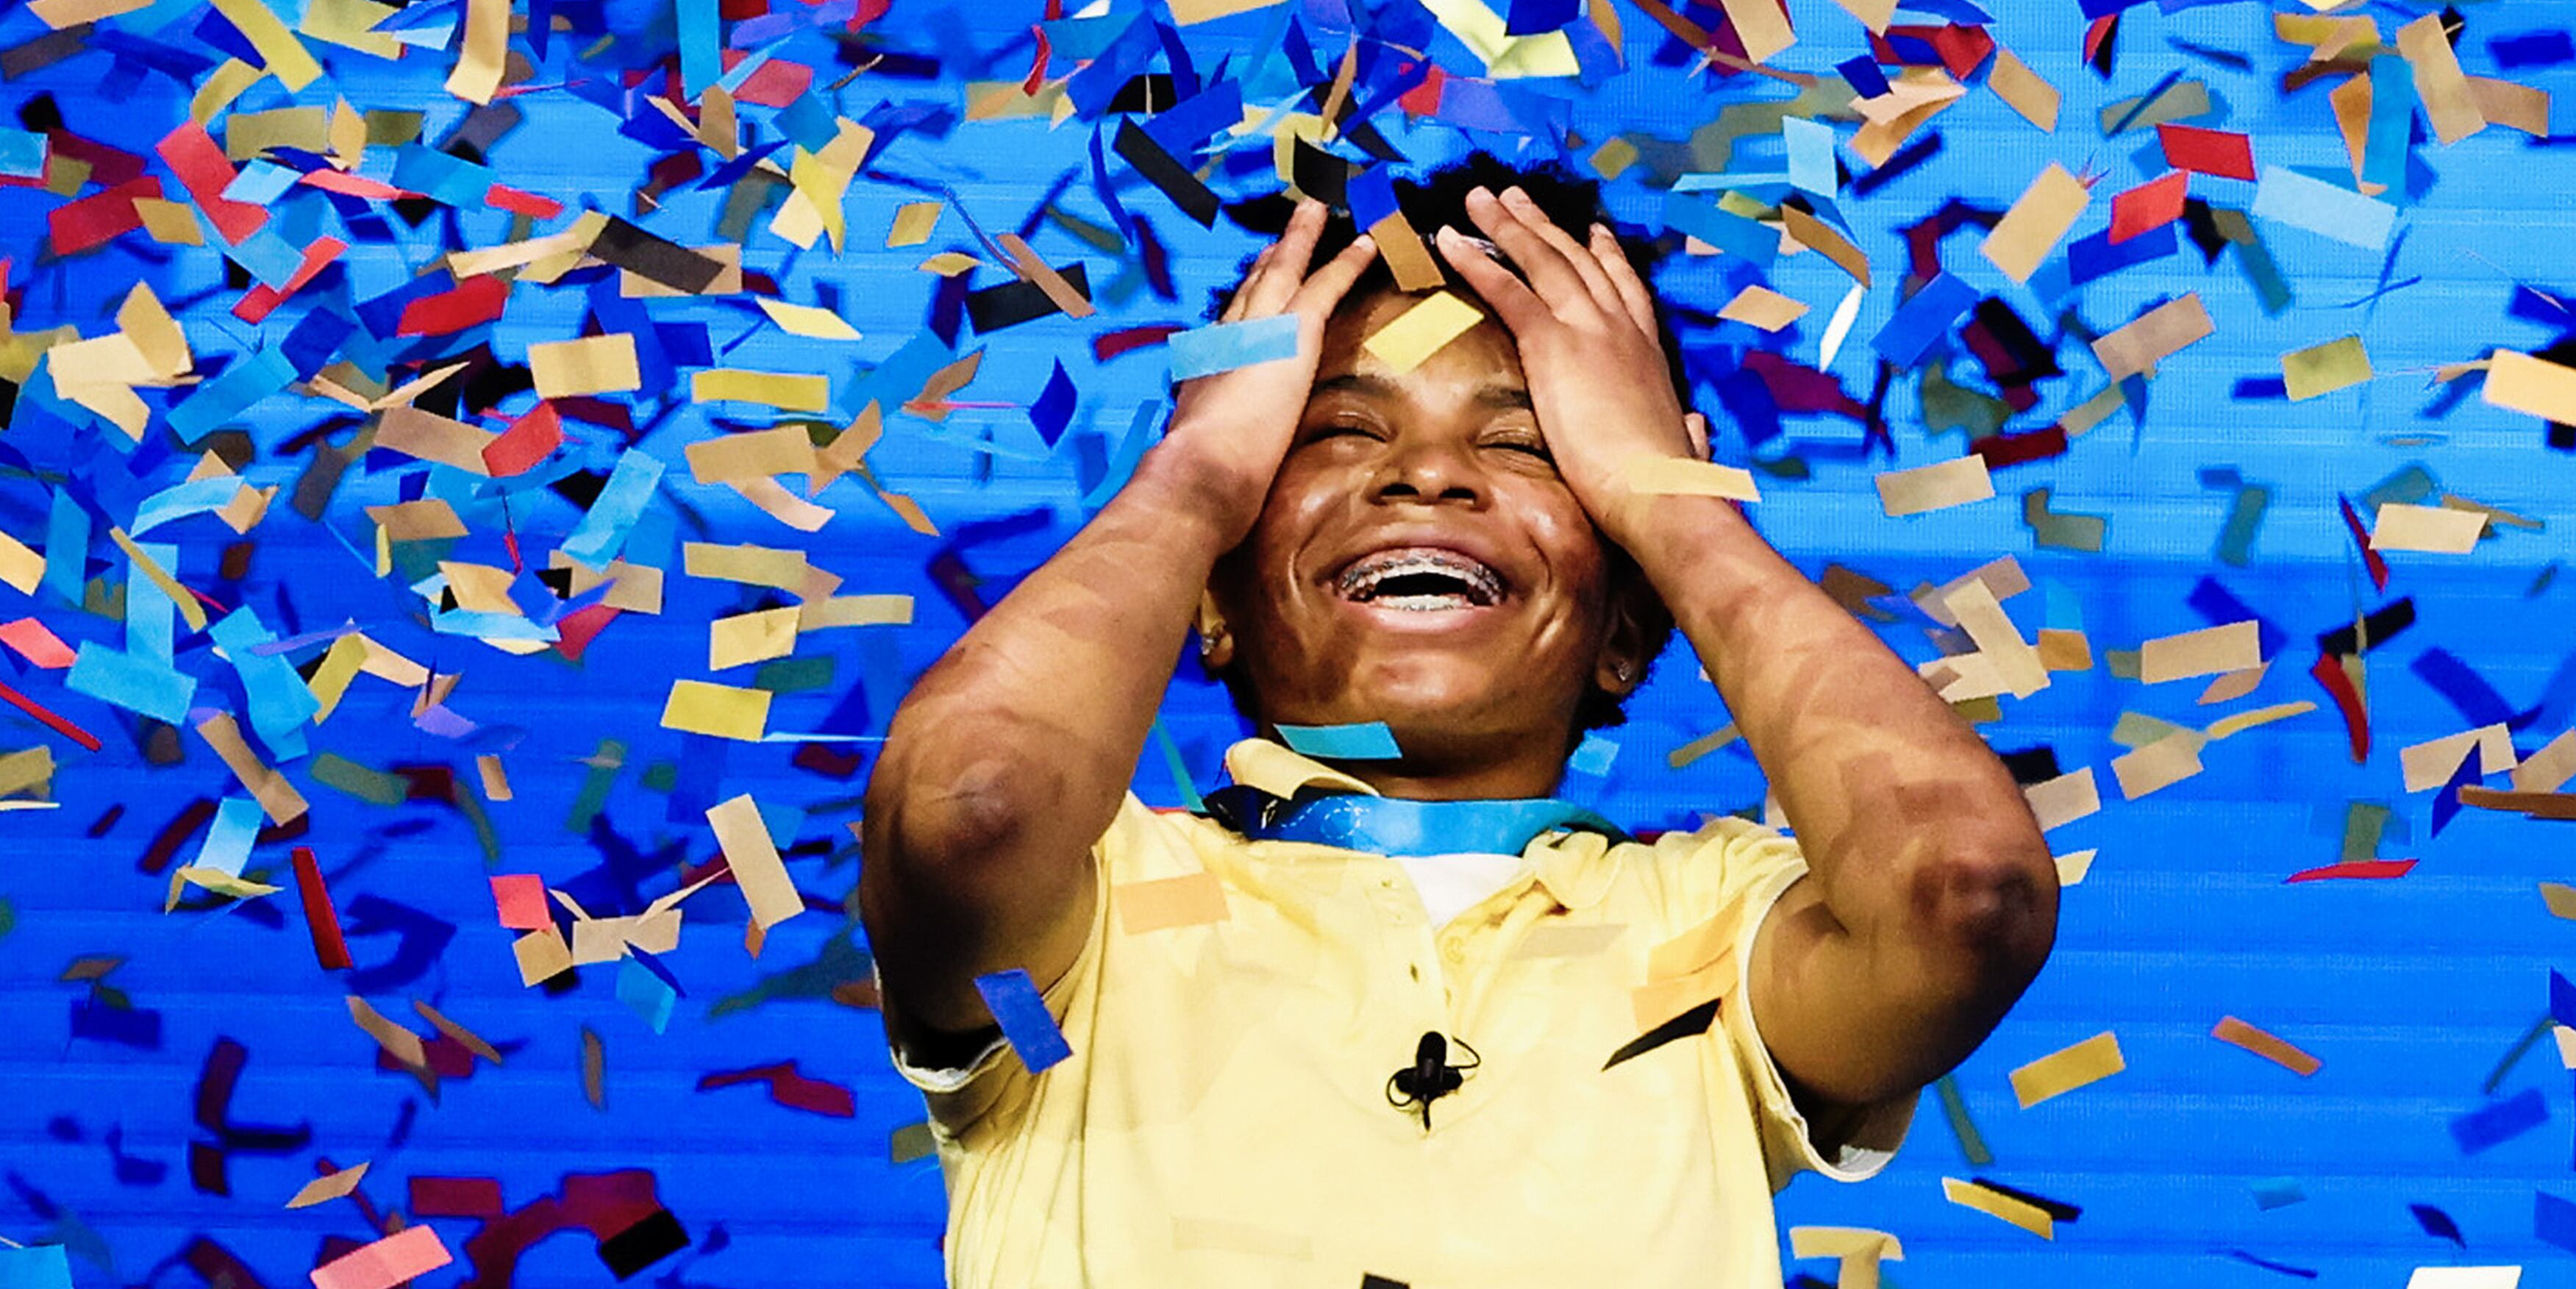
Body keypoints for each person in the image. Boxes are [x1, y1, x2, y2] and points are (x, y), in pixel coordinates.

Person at [860, 154, 2058, 1288]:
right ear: (1212, 596)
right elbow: (976, 806)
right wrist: (1197, 472)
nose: (1429, 478)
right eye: (1338, 431)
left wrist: (1672, 505)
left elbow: (1965, 902)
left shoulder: (1716, 940)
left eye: (1529, 443)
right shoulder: (1087, 926)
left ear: (1629, 629)